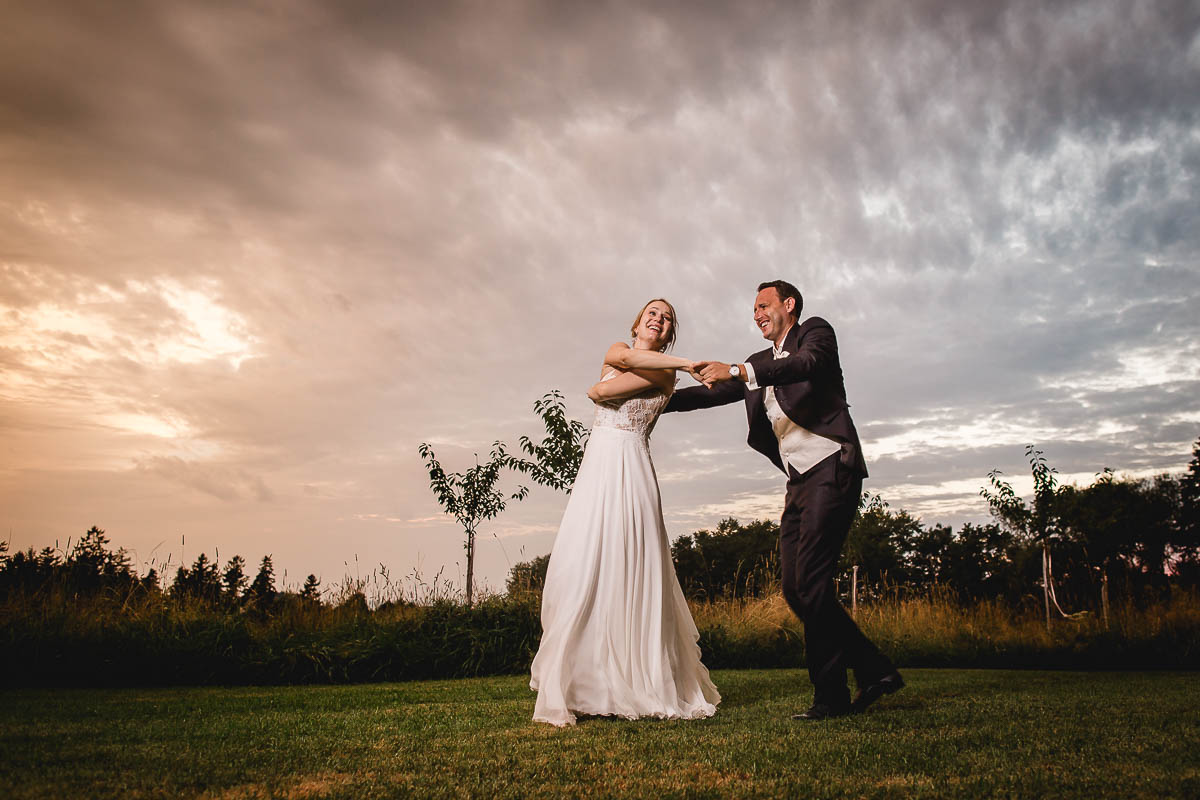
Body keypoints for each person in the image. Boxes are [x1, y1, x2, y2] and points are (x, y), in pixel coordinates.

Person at [666, 280, 903, 720]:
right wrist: (654, 402)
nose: (756, 313)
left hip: (833, 467)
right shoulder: (757, 364)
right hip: (799, 482)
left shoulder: (815, 332)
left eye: (763, 304)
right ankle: (856, 681)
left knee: (809, 585)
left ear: (787, 305)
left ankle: (852, 683)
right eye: (752, 308)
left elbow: (805, 365)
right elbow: (709, 394)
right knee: (798, 589)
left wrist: (738, 370)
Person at [530, 298, 721, 727]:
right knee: (583, 562)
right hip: (596, 465)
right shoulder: (622, 349)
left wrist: (662, 368)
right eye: (652, 312)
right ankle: (585, 681)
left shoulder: (666, 372)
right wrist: (689, 361)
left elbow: (604, 390)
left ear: (669, 333)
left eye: (667, 317)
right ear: (638, 322)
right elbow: (619, 362)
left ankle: (638, 677)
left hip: (630, 464)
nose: (658, 318)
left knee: (631, 563)